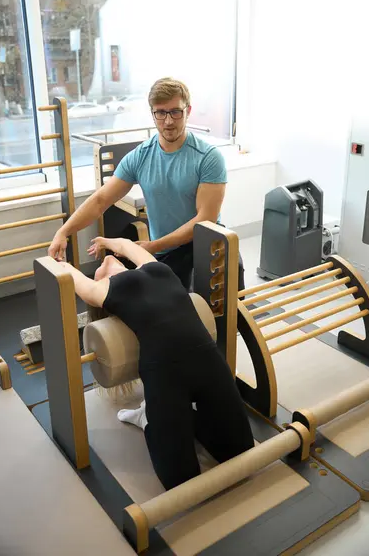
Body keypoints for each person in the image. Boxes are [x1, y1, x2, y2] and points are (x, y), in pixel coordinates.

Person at [56, 237, 254, 490]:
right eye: (98, 271)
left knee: (241, 451)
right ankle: (148, 419)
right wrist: (59, 258)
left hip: (208, 359)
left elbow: (127, 246)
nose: (107, 260)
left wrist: (104, 241)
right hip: (165, 372)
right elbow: (68, 275)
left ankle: (168, 415)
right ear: (99, 282)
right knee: (180, 480)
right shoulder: (104, 290)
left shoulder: (155, 268)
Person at [48, 76, 245, 291]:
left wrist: (152, 246)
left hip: (206, 245)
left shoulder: (208, 157)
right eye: (161, 113)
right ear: (153, 114)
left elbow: (204, 219)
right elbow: (100, 200)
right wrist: (63, 231)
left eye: (175, 112)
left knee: (226, 301)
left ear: (188, 111)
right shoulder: (140, 157)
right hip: (166, 252)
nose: (168, 121)